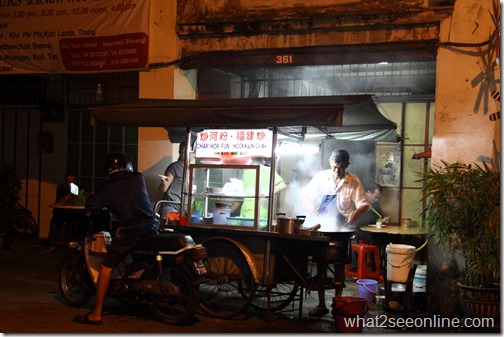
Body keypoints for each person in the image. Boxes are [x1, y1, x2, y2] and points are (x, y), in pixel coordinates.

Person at [73, 153, 158, 325]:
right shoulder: (138, 177)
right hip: (151, 226)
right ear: (127, 166)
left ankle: (96, 314)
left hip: (131, 231)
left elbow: (91, 206)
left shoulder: (107, 186)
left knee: (105, 267)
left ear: (108, 169)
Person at [300, 149, 370, 316]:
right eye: (334, 167)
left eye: (341, 167)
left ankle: (337, 302)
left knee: (340, 267)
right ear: (330, 164)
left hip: (341, 231)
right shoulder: (321, 178)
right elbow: (304, 195)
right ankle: (321, 304)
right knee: (322, 267)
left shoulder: (353, 181)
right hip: (323, 228)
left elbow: (364, 204)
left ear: (347, 165)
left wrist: (356, 212)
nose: (337, 171)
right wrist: (313, 209)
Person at [44, 173, 85, 253]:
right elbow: (60, 200)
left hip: (73, 212)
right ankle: (52, 244)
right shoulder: (61, 188)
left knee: (80, 221)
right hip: (61, 212)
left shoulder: (79, 188)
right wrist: (70, 194)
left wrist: (76, 196)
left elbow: (80, 202)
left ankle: (76, 243)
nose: (70, 183)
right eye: (68, 181)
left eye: (72, 181)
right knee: (55, 221)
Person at [157, 141, 194, 220]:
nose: (191, 154)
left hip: (182, 209)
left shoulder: (189, 169)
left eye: (191, 152)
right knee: (171, 230)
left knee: (179, 230)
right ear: (181, 153)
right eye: (187, 152)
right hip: (171, 207)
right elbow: (162, 190)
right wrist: (164, 183)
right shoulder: (174, 167)